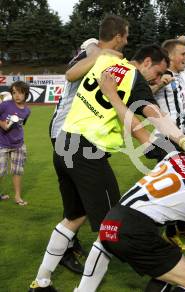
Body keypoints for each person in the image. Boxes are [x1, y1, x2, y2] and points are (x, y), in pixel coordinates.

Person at [28, 42, 185, 291]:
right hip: (87, 152)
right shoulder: (135, 77)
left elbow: (74, 76)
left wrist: (148, 142)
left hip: (64, 144)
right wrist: (183, 141)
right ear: (146, 62)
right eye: (156, 72)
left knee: (73, 217)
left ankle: (41, 282)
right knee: (111, 230)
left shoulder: (106, 62)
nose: (155, 79)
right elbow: (152, 112)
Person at [73, 146, 185, 292]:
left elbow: (145, 136)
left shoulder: (180, 156)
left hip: (112, 219)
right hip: (135, 230)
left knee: (168, 268)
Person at [48, 15, 125, 276]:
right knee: (88, 206)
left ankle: (64, 248)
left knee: (77, 203)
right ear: (118, 36)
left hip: (73, 132)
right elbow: (71, 73)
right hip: (68, 131)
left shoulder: (100, 54)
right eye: (125, 37)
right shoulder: (94, 48)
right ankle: (71, 250)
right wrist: (105, 54)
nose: (125, 43)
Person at [148, 39, 185, 251]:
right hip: (165, 139)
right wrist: (160, 83)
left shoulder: (177, 76)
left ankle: (180, 228)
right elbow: (141, 97)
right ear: (170, 57)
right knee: (170, 187)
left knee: (184, 183)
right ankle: (167, 233)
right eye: (183, 54)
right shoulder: (159, 75)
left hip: (179, 137)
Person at [0, 81, 30, 206]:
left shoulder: (27, 111)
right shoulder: (5, 105)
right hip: (2, 143)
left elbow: (21, 125)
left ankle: (17, 197)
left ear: (25, 94)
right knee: (0, 171)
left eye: (20, 92)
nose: (17, 95)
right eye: (14, 92)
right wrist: (3, 125)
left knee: (17, 172)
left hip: (18, 145)